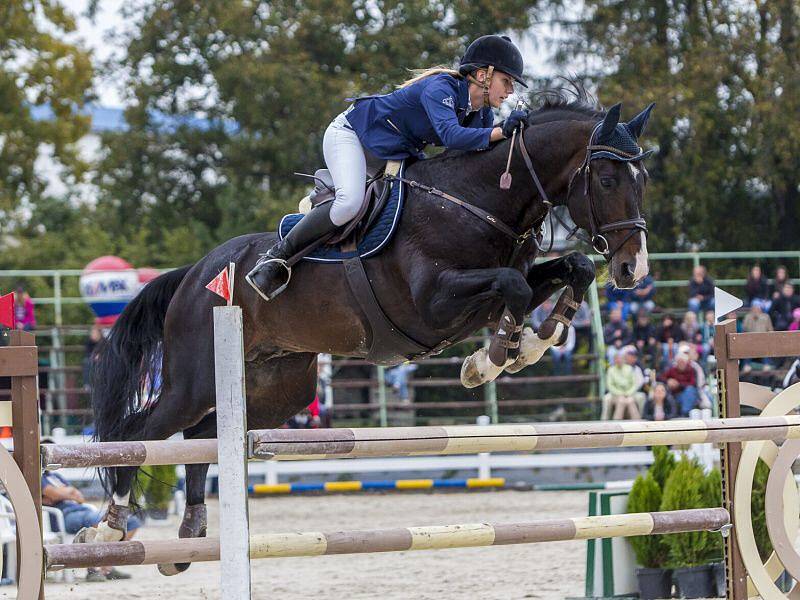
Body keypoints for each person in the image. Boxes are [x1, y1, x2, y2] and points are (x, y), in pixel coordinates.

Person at [246, 34, 529, 301]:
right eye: (507, 81)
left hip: (393, 154)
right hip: (352, 135)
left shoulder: (481, 113)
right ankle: (275, 258)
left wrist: (518, 136)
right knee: (349, 203)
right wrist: (500, 131)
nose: (510, 90)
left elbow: (464, 158)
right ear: (484, 75)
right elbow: (451, 136)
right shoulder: (440, 87)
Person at [41, 443, 141, 582]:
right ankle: (92, 568)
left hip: (81, 509)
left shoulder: (55, 476)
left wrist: (62, 494)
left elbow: (79, 497)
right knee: (98, 521)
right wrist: (67, 493)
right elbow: (54, 494)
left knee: (131, 522)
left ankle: (107, 566)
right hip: (64, 515)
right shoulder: (39, 477)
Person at [659, 351, 699, 416]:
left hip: (687, 393)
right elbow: (660, 377)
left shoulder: (691, 370)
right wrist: (668, 381)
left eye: (683, 362)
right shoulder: (672, 370)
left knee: (690, 390)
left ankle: (684, 413)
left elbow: (693, 383)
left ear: (686, 362)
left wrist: (679, 384)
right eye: (679, 362)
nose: (681, 364)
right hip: (675, 394)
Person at [605, 352, 641, 420]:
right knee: (621, 401)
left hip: (629, 394)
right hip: (615, 394)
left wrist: (628, 393)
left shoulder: (629, 368)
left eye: (620, 359)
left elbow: (634, 384)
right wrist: (620, 393)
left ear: (624, 360)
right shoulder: (611, 370)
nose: (618, 360)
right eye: (617, 359)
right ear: (614, 360)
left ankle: (637, 423)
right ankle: (616, 423)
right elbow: (610, 386)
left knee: (630, 401)